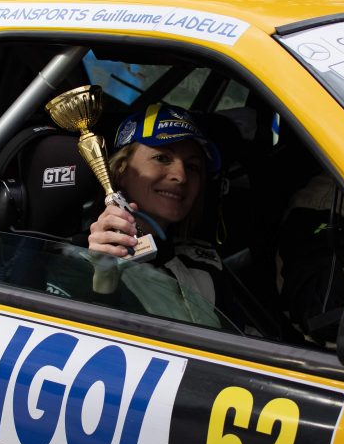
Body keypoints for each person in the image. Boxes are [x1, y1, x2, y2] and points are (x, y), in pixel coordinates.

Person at [85, 103, 237, 326]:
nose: (181, 176)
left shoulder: (205, 260)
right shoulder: (76, 255)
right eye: (162, 158)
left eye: (193, 166)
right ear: (121, 170)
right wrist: (103, 277)